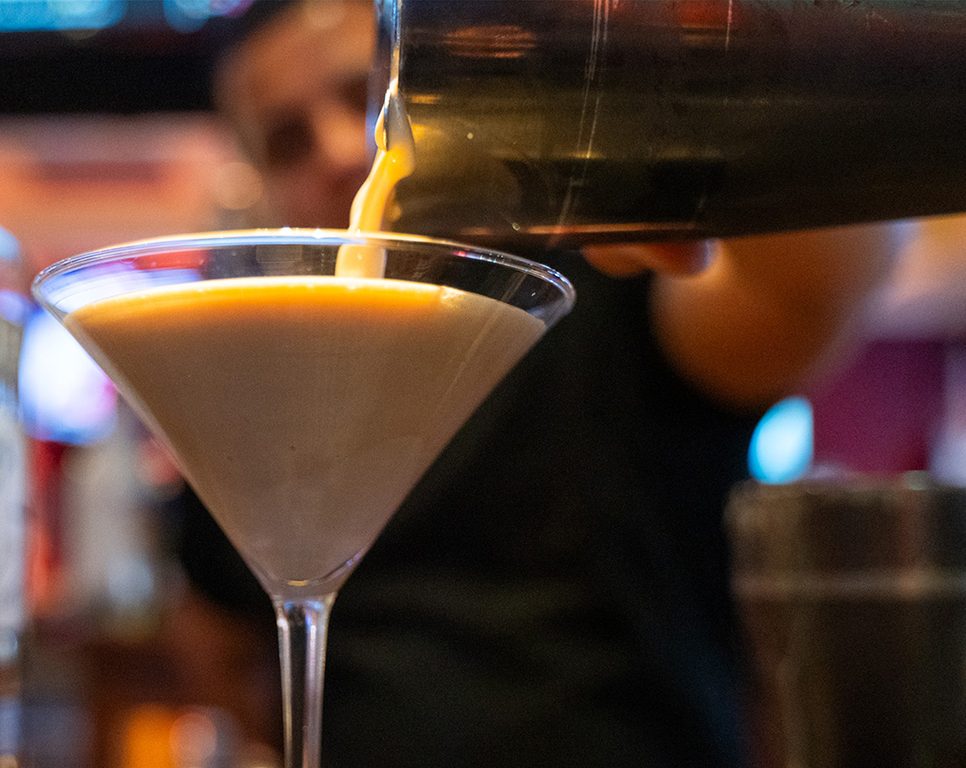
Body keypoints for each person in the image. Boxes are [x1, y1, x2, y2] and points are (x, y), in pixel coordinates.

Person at [171, 2, 909, 766]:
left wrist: (717, 66)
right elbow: (215, 640)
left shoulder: (606, 282)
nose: (335, 150)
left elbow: (818, 287)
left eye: (366, 98)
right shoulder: (250, 392)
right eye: (287, 141)